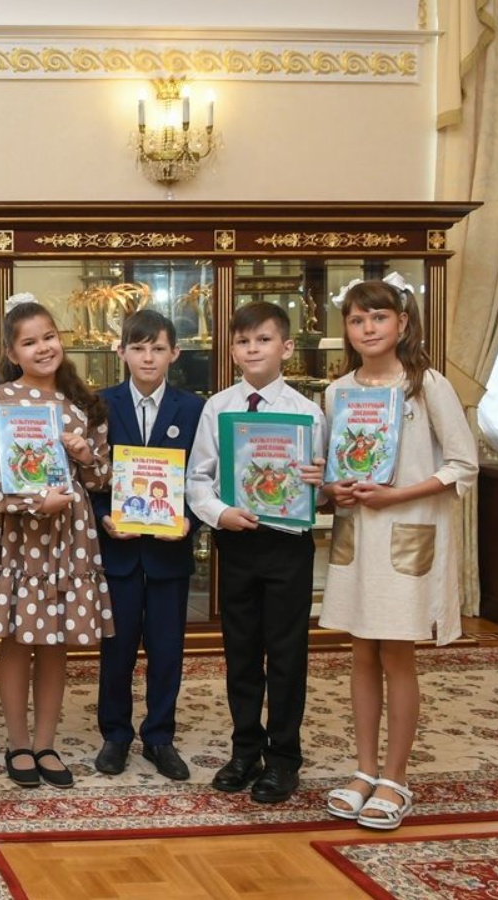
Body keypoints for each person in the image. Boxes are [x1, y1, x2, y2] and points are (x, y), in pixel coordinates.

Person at [318, 279, 477, 830]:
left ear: (402, 323)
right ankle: (364, 770)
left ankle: (395, 777)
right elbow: (335, 466)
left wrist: (398, 494)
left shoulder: (425, 385)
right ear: (347, 329)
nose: (368, 329)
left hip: (407, 535)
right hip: (358, 538)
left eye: (379, 317)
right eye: (357, 320)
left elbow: (463, 464)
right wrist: (333, 488)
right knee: (361, 652)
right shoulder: (338, 392)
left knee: (396, 655)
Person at [0, 300, 112, 789]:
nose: (43, 348)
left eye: (48, 337)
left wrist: (85, 454)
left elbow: (101, 478)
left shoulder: (84, 403)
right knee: (17, 639)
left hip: (69, 537)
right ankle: (18, 743)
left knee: (55, 641)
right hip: (18, 536)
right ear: (13, 354)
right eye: (29, 342)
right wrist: (32, 502)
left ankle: (46, 743)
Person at [188, 300, 326, 804]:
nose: (253, 349)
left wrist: (320, 483)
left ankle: (283, 758)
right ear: (231, 351)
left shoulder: (307, 412)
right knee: (241, 651)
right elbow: (197, 477)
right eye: (243, 341)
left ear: (286, 348)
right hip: (237, 541)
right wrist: (219, 512)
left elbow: (323, 490)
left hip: (288, 545)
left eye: (263, 340)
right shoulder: (217, 407)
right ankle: (245, 749)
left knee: (287, 654)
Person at [88, 309, 205, 782]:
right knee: (116, 651)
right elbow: (89, 478)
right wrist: (103, 517)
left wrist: (190, 520)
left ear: (175, 352)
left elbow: (203, 477)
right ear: (121, 352)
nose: (148, 357)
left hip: (169, 555)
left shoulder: (194, 409)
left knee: (166, 650)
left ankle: (159, 736)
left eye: (158, 348)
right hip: (118, 552)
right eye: (138, 348)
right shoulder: (100, 405)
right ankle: (115, 735)